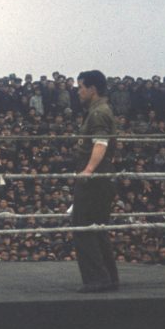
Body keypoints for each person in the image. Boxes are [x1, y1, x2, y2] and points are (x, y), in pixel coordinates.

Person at [72, 70, 119, 293]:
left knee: (84, 226)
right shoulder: (99, 110)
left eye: (81, 87)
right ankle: (108, 277)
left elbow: (101, 143)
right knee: (97, 227)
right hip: (101, 175)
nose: (78, 92)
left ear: (92, 89)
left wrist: (88, 170)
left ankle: (97, 279)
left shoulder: (98, 113)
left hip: (95, 177)